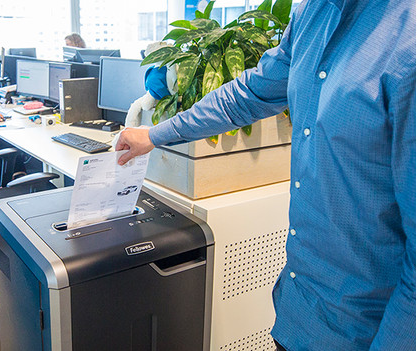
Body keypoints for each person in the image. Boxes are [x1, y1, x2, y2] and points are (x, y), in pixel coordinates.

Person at [115, 1, 415, 350]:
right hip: (297, 312)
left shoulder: (407, 41)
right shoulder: (312, 13)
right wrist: (154, 135)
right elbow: (248, 93)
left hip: (362, 331)